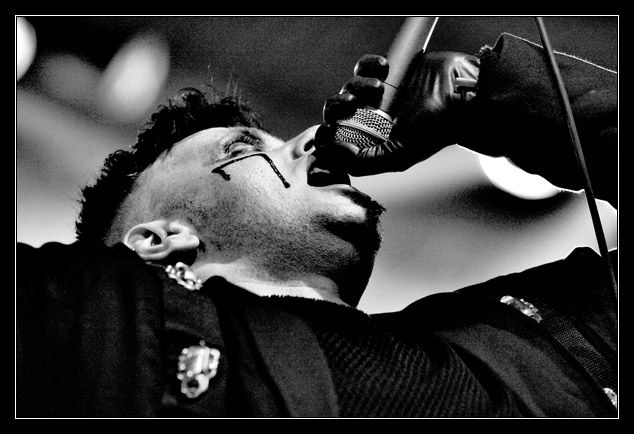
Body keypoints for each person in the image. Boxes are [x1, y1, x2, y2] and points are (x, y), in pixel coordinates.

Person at [16, 31, 617, 418]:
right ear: (158, 241)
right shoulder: (91, 331)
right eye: (243, 147)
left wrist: (493, 98)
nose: (309, 136)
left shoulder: (511, 349)